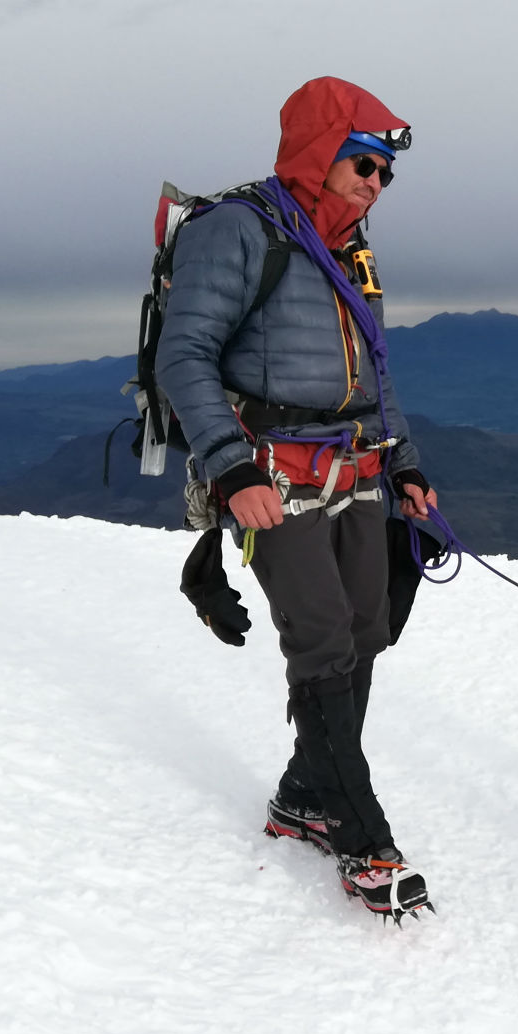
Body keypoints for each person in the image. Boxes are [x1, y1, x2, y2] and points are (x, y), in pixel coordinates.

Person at [157, 75, 438, 921]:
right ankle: (362, 837)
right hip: (271, 479)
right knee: (321, 643)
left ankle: (300, 798)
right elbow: (185, 357)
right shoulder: (236, 232)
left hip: (355, 472)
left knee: (365, 630)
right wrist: (231, 470)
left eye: (386, 173)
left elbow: (375, 375)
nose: (374, 184)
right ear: (320, 153)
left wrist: (408, 464)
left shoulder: (351, 246)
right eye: (362, 163)